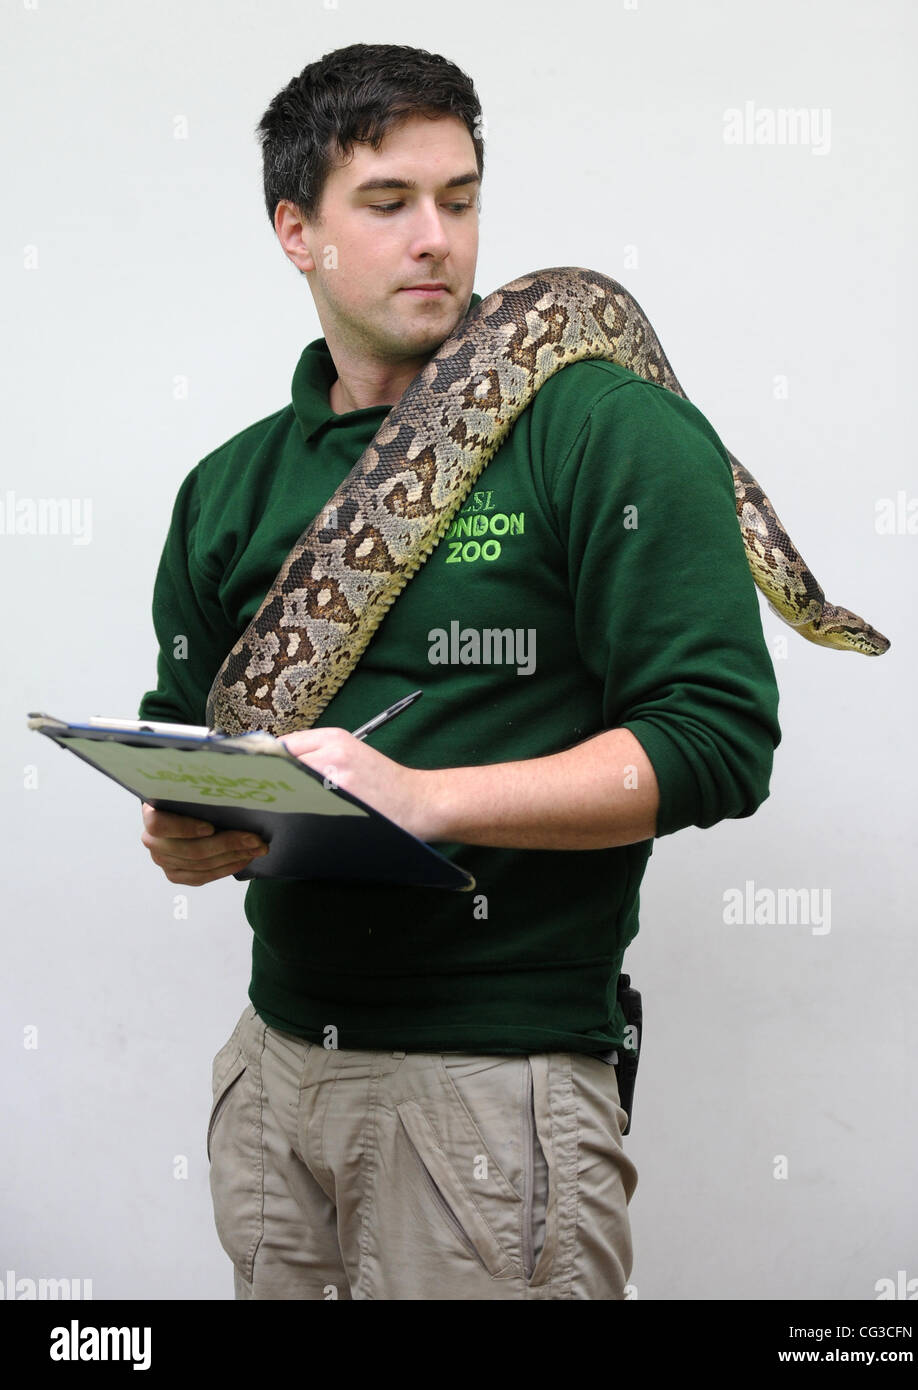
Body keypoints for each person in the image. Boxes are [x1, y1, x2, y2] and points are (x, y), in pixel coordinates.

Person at [138, 43, 781, 1301]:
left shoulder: (608, 430)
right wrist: (177, 830)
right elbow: (187, 735)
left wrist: (431, 799)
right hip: (276, 1075)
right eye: (388, 203)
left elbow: (717, 740)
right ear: (296, 230)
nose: (437, 238)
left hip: (495, 1087)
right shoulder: (228, 486)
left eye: (462, 198)